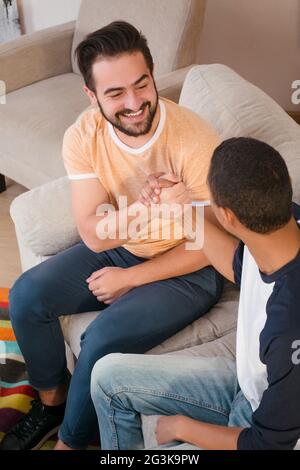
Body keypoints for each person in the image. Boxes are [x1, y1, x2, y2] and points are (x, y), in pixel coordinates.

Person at [0, 21, 223, 451]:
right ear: (92, 96)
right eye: (116, 93)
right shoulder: (84, 135)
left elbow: (209, 247)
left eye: (142, 85)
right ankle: (53, 403)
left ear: (153, 76)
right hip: (125, 246)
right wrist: (144, 208)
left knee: (99, 339)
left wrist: (130, 280)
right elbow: (95, 235)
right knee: (28, 296)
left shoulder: (194, 140)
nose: (136, 103)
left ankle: (71, 441)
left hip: (190, 267)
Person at [90, 137, 300, 450]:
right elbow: (242, 267)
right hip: (252, 381)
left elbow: (266, 444)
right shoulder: (283, 225)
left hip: (268, 424)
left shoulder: (288, 330)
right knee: (106, 378)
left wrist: (183, 427)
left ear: (226, 217)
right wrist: (183, 211)